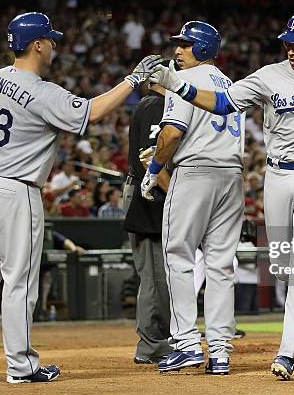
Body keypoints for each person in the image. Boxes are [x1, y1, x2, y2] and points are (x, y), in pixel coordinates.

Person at [149, 12, 294, 380]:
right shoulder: (268, 76)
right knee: (281, 266)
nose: (290, 50)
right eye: (287, 43)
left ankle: (288, 352)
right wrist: (181, 88)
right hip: (277, 176)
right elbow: (224, 103)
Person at [0, 11, 161, 384]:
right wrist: (133, 80)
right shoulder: (42, 92)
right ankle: (21, 365)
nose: (55, 46)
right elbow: (92, 112)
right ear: (37, 44)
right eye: (51, 40)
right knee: (21, 280)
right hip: (15, 190)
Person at [141, 21, 244, 375]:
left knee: (178, 255)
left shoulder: (183, 83)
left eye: (185, 45)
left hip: (195, 172)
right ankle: (219, 351)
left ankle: (185, 342)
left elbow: (170, 134)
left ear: (202, 49)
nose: (177, 51)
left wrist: (154, 169)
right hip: (232, 176)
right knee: (220, 266)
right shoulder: (229, 84)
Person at [123, 69, 174, 365]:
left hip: (149, 189)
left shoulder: (151, 104)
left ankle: (161, 338)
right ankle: (153, 343)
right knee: (155, 275)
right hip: (151, 192)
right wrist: (174, 193)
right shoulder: (156, 105)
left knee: (160, 273)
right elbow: (149, 157)